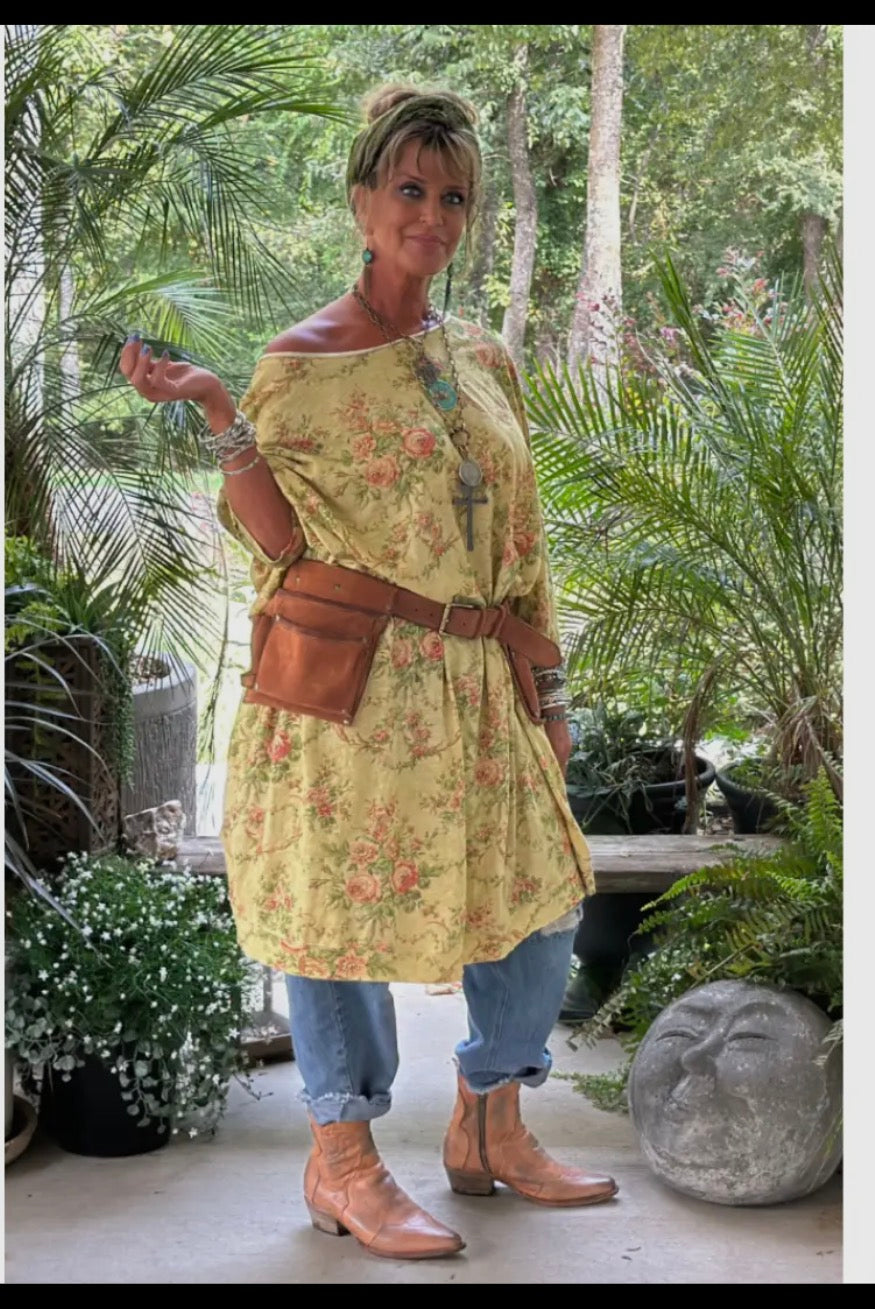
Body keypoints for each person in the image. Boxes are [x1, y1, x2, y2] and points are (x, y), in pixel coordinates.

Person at [119, 83, 618, 1262]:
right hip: (354, 696)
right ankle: (341, 1159)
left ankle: (490, 1124)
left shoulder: (483, 355)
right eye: (408, 189)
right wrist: (215, 407)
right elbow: (279, 543)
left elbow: (523, 541)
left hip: (482, 686)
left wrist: (547, 691)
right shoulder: (300, 364)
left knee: (539, 900)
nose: (431, 216)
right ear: (360, 202)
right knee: (333, 923)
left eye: (453, 197)